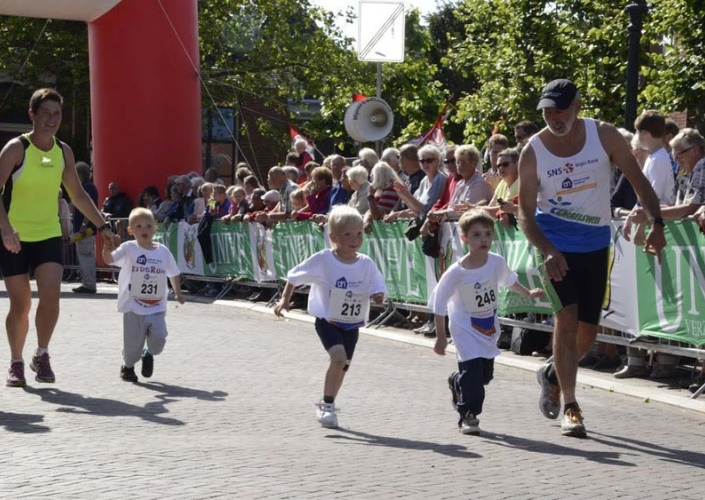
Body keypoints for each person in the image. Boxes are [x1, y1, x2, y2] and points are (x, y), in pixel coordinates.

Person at [518, 78, 665, 438]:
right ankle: (571, 406)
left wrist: (657, 222)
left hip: (596, 244)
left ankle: (553, 373)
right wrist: (547, 249)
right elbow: (524, 213)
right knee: (565, 319)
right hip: (555, 246)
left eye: (560, 108)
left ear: (577, 106)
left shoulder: (604, 135)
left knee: (588, 332)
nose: (554, 117)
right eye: (548, 110)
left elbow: (638, 180)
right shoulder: (533, 151)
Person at [0, 88, 120, 387]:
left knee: (52, 294)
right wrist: (5, 230)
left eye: (57, 114)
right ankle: (16, 361)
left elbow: (77, 194)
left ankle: (42, 354)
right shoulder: (16, 149)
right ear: (32, 114)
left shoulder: (63, 151)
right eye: (46, 113)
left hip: (48, 233)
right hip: (14, 236)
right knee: (20, 304)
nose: (52, 120)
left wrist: (103, 226)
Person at [431, 209, 544, 435]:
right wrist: (441, 336)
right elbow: (438, 303)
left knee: (485, 376)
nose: (483, 239)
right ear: (464, 238)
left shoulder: (496, 262)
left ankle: (457, 383)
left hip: (487, 328)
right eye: (476, 235)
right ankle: (468, 415)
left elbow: (510, 281)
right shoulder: (456, 272)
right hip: (464, 329)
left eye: (487, 234)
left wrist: (528, 293)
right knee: (473, 374)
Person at [273, 205, 387, 428]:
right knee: (337, 358)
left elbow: (377, 286)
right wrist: (284, 299)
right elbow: (294, 276)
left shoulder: (366, 263)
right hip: (327, 320)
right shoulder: (324, 260)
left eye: (359, 234)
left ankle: (330, 402)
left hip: (351, 323)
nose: (354, 239)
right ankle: (326, 406)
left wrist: (379, 295)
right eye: (347, 234)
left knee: (343, 365)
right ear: (332, 236)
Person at [102, 207, 185, 382]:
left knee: (159, 339)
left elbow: (173, 272)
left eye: (148, 226)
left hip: (156, 306)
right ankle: (128, 367)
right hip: (133, 307)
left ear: (155, 229)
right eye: (138, 227)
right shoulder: (128, 248)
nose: (144, 230)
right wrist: (106, 248)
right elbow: (109, 260)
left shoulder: (162, 251)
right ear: (130, 230)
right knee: (133, 347)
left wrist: (178, 292)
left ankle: (149, 353)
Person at [71, 161, 100, 294]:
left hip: (85, 229)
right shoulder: (89, 186)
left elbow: (89, 207)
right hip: (86, 228)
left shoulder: (86, 187)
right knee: (84, 256)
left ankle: (88, 284)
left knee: (85, 256)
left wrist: (84, 224)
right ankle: (87, 283)